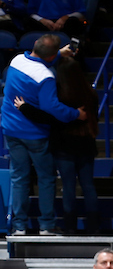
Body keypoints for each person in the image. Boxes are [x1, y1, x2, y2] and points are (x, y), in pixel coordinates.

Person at [2, 35, 85, 236]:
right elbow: (52, 107)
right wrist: (76, 114)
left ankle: (19, 226)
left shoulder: (17, 60)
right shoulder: (45, 76)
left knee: (19, 178)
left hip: (11, 129)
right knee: (46, 178)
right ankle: (46, 225)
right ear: (50, 57)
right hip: (35, 135)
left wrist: (57, 54)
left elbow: (40, 59)